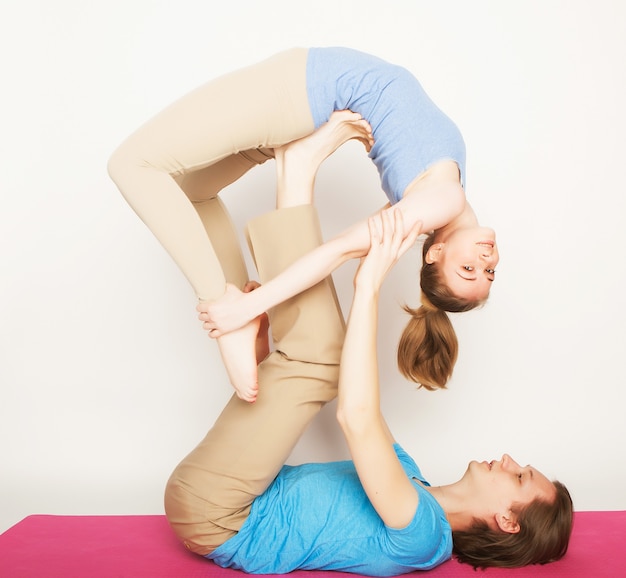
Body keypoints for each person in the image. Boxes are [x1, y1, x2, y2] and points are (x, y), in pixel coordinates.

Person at [163, 133, 572, 575]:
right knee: (327, 362)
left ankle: (295, 177)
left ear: (507, 521)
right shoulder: (408, 474)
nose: (509, 461)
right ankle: (280, 182)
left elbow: (356, 417)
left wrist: (368, 284)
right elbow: (352, 394)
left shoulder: (425, 537)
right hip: (237, 490)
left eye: (518, 477)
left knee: (323, 362)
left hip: (220, 516)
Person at [107, 47, 499, 402]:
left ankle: (226, 310)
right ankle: (234, 308)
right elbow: (347, 248)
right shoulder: (429, 200)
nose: (484, 260)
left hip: (304, 89)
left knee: (132, 164)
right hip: (309, 102)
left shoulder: (443, 201)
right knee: (194, 194)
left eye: (469, 270)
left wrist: (246, 308)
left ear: (435, 254)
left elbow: (337, 250)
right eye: (488, 271)